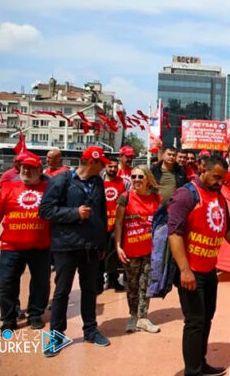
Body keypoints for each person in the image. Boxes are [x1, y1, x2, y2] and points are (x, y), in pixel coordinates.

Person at [167, 154, 230, 376]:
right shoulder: (186, 195)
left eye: (223, 178)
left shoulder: (219, 197)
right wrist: (184, 270)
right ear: (201, 169)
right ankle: (192, 371)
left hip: (209, 270)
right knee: (195, 322)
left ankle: (201, 362)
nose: (219, 182)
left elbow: (227, 229)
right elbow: (174, 234)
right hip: (191, 271)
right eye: (216, 177)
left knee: (206, 318)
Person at [39, 146, 111, 356]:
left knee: (90, 289)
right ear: (92, 162)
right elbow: (45, 210)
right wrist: (74, 213)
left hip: (90, 246)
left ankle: (90, 329)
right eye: (102, 163)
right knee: (62, 292)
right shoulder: (61, 181)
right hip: (66, 246)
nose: (105, 166)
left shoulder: (97, 182)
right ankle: (56, 336)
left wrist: (102, 242)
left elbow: (102, 213)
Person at [0, 153, 50, 331]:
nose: (26, 170)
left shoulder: (50, 189)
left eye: (31, 168)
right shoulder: (8, 188)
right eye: (24, 167)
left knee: (41, 282)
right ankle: (8, 319)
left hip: (41, 247)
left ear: (40, 170)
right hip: (11, 247)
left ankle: (35, 314)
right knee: (6, 284)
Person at [114, 165, 162, 334]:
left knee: (146, 283)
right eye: (133, 176)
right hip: (130, 250)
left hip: (150, 250)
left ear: (148, 179)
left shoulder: (157, 198)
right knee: (132, 285)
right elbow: (118, 223)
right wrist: (118, 246)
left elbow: (163, 223)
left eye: (140, 177)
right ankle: (133, 315)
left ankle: (143, 317)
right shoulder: (125, 197)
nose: (136, 180)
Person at [102, 159, 127, 292]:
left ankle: (113, 279)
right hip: (101, 224)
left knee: (113, 255)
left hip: (116, 224)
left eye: (115, 167)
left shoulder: (123, 182)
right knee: (99, 255)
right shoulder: (98, 182)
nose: (112, 169)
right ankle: (98, 281)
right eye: (110, 166)